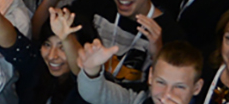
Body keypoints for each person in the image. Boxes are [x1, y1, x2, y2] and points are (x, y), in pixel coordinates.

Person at [74, 40, 206, 104]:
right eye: (161, 82)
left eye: (179, 87)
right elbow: (96, 94)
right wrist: (91, 69)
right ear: (150, 77)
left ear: (197, 87)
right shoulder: (136, 100)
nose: (167, 94)